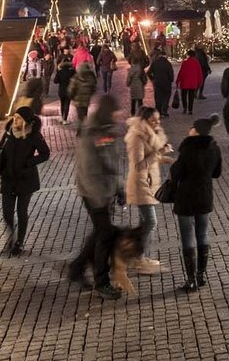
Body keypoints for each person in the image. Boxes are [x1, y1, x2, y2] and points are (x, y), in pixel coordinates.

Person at [69, 94, 126, 299]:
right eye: (114, 113)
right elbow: (89, 168)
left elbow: (113, 161)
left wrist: (119, 187)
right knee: (106, 235)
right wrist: (99, 198)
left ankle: (76, 269)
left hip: (106, 190)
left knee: (101, 233)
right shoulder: (91, 132)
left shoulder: (107, 129)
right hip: (94, 193)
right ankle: (101, 282)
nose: (117, 117)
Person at [169, 115, 223, 292]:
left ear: (197, 131)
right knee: (202, 233)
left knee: (187, 237)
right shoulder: (214, 149)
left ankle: (190, 279)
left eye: (192, 127)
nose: (189, 129)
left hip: (186, 198)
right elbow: (216, 173)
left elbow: (176, 173)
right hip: (204, 196)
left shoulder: (187, 149)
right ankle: (201, 276)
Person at [0, 105, 50, 256]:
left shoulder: (33, 135)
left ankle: (19, 242)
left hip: (26, 179)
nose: (14, 119)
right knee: (7, 213)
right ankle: (11, 236)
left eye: (18, 118)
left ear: (25, 121)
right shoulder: (8, 133)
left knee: (22, 211)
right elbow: (0, 151)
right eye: (14, 117)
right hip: (8, 178)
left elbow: (45, 153)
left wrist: (29, 163)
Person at [124, 106, 173, 273]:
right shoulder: (136, 138)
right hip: (140, 184)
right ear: (144, 121)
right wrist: (158, 153)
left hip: (149, 183)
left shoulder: (149, 135)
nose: (157, 123)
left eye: (158, 120)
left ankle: (137, 255)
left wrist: (163, 158)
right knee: (151, 221)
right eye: (153, 120)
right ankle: (138, 258)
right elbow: (138, 165)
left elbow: (149, 159)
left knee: (144, 223)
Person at [71, 47, 98, 125]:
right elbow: (93, 86)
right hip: (86, 99)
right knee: (84, 112)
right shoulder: (87, 54)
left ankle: (80, 126)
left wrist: (72, 96)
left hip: (78, 99)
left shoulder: (76, 77)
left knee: (79, 114)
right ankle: (84, 124)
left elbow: (73, 62)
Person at [176, 47, 207, 114]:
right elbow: (199, 73)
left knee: (184, 96)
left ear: (188, 55)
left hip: (184, 82)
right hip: (193, 83)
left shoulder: (185, 62)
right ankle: (190, 110)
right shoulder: (196, 63)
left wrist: (177, 80)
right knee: (191, 97)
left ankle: (185, 108)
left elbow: (181, 72)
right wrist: (200, 81)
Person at [149, 49, 176, 116]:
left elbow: (148, 72)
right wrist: (171, 79)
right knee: (166, 96)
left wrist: (153, 79)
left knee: (158, 97)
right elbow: (171, 73)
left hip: (157, 82)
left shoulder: (155, 63)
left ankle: (158, 110)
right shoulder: (167, 63)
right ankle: (164, 109)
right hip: (166, 83)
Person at [54, 51, 76, 122]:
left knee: (62, 104)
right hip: (69, 90)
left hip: (61, 90)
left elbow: (55, 81)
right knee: (67, 104)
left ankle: (62, 117)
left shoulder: (60, 71)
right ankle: (65, 119)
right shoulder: (72, 71)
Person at [126, 52, 148, 117]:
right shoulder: (141, 70)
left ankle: (133, 112)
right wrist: (144, 83)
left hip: (133, 86)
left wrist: (128, 83)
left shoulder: (130, 70)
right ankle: (141, 113)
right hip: (140, 85)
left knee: (133, 100)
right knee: (140, 100)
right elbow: (145, 78)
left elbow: (128, 79)